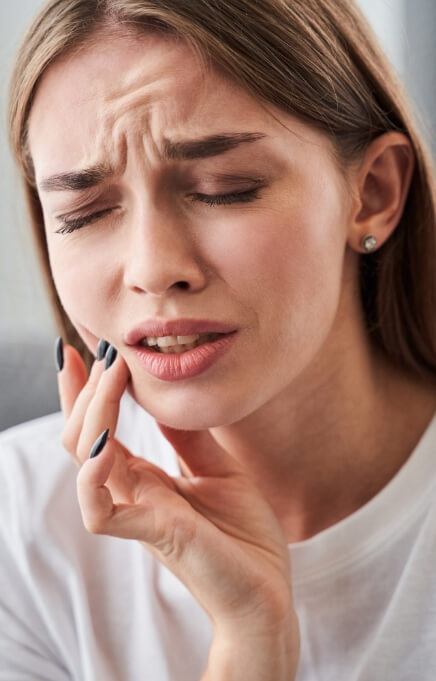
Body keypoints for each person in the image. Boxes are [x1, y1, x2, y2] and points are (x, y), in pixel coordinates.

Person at [1, 0, 436, 679]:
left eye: (223, 189)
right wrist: (249, 639)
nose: (152, 268)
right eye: (84, 213)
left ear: (373, 192)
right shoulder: (18, 525)